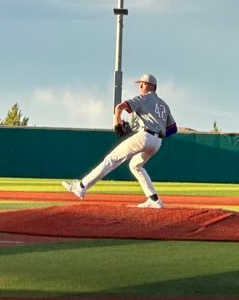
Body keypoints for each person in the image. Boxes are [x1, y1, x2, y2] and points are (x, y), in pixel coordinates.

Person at [62, 73, 177, 208]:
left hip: (145, 136)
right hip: (157, 142)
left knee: (111, 159)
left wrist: (117, 123)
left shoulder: (143, 98)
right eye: (140, 83)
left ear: (152, 86)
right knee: (135, 166)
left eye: (143, 83)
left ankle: (81, 186)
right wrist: (158, 135)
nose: (140, 86)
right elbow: (173, 128)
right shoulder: (164, 104)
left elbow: (119, 107)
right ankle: (154, 200)